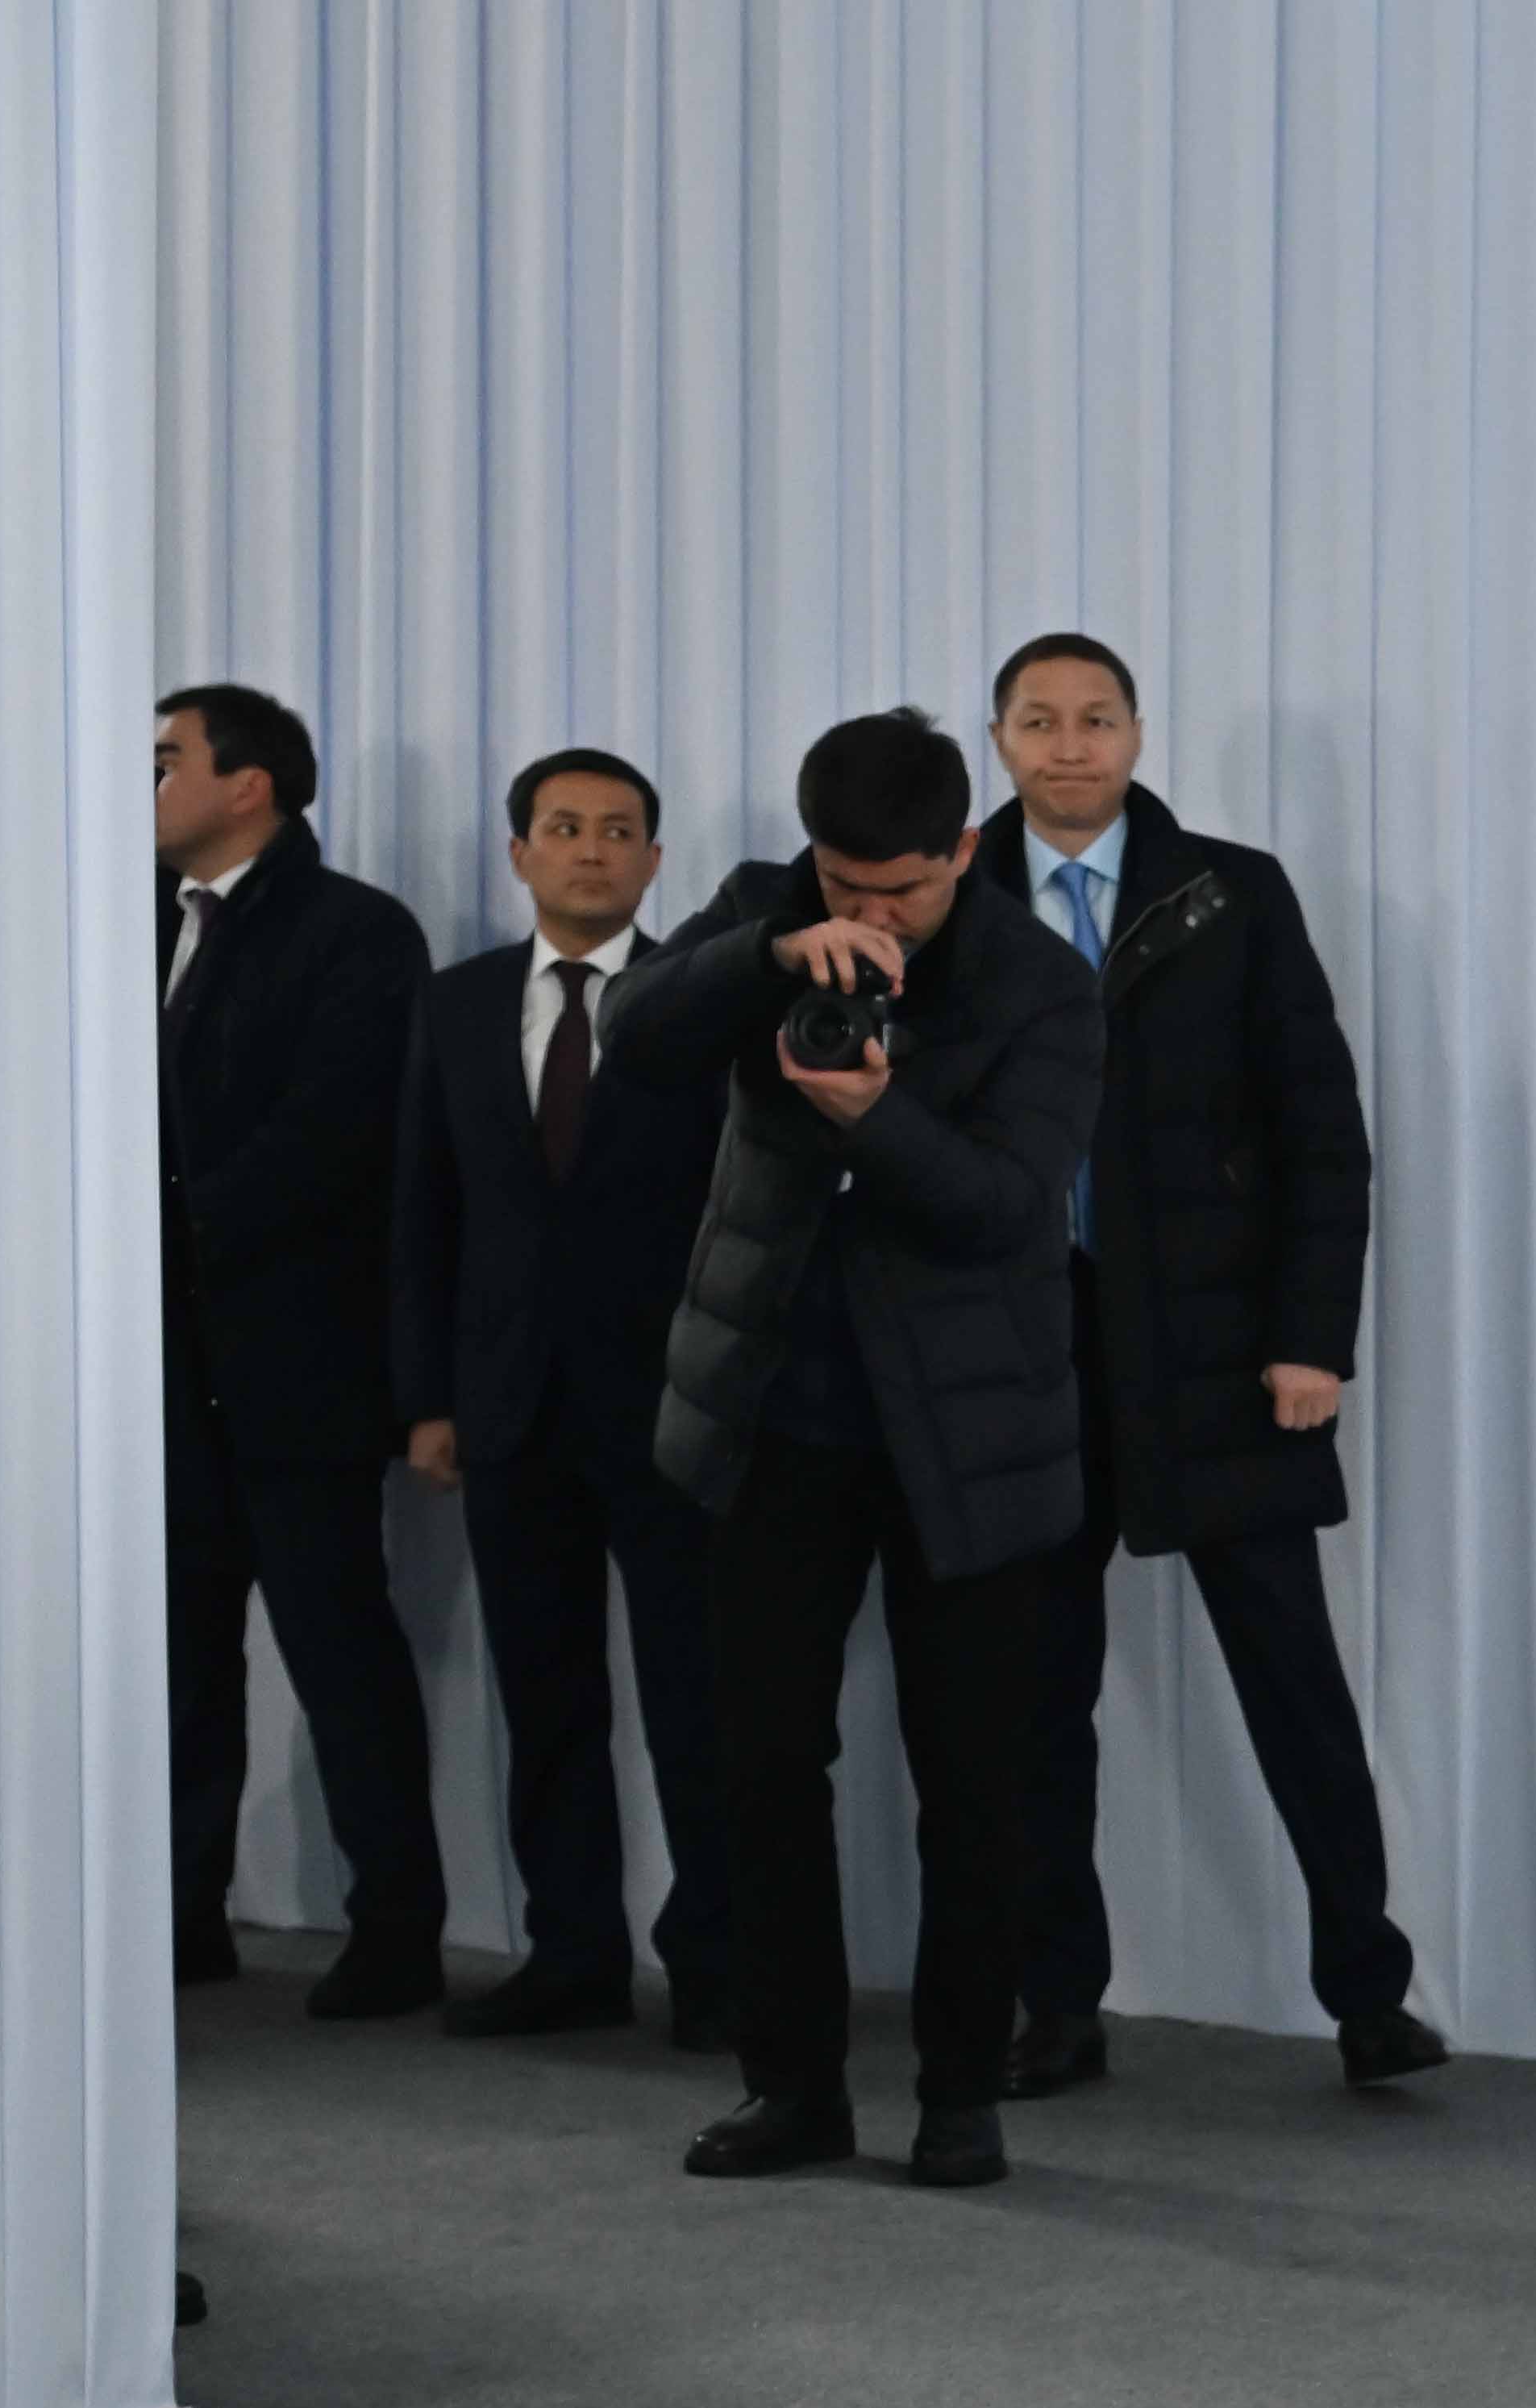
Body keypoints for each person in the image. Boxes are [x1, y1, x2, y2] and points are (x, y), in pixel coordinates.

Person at [606, 710, 1097, 2192]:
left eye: (902, 889)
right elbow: (635, 1034)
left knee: (973, 1781)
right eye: (844, 884)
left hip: (968, 1435)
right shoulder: (770, 909)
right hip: (777, 1416)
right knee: (761, 1766)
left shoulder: (1038, 980)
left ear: (964, 850)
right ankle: (793, 2086)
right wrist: (771, 953)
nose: (872, 916)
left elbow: (1007, 1206)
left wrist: (874, 1116)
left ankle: (959, 2094)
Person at [974, 634, 1443, 2099]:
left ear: (1135, 733)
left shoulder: (1229, 892)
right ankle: (1058, 2002)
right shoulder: (955, 898)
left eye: (1095, 718)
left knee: (1293, 1681)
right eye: (1039, 720)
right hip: (1026, 1357)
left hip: (1218, 1350)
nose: (1069, 745)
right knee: (1031, 1699)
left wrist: (1311, 1339)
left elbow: (1319, 1131)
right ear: (999, 740)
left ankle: (1370, 1991)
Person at [389, 747, 735, 2048]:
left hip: (675, 1406)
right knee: (544, 1696)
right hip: (509, 1403)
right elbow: (422, 1207)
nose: (592, 848)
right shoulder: (458, 1001)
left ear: (656, 860)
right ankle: (571, 1952)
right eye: (565, 826)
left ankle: (717, 1964)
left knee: (700, 1701)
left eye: (619, 829)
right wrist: (428, 1397)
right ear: (519, 852)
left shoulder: (703, 1003)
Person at [154, 682, 445, 2014]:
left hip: (301, 1362)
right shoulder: (125, 921)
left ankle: (397, 1926)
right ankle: (179, 1914)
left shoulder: (356, 932)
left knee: (340, 1654)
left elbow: (334, 1137)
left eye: (167, 759)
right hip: (163, 1366)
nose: (145, 784)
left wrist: (151, 1227)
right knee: (180, 1656)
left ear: (248, 784)